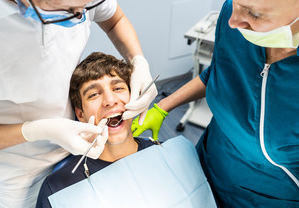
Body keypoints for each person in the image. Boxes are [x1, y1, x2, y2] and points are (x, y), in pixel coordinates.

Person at [0, 0, 157, 207]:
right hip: (19, 174)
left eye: (87, 4)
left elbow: (114, 20)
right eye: (61, 7)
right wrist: (36, 130)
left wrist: (137, 59)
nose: (79, 16)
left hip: (84, 147)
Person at [131, 0, 299, 207]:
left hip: (267, 198)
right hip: (207, 165)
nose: (233, 21)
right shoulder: (232, 16)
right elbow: (221, 72)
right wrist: (163, 107)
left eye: (254, 12)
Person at [36, 52, 216, 208]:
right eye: (94, 94)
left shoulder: (176, 157)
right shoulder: (58, 189)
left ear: (137, 98)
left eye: (118, 88)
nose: (110, 100)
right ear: (80, 115)